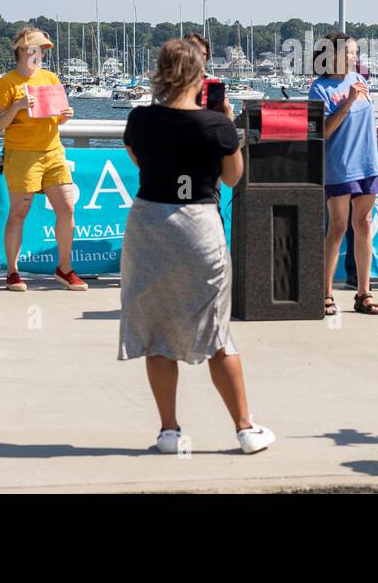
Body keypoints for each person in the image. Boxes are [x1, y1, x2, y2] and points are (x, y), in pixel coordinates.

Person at [119, 39, 274, 455]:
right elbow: (232, 178)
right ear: (197, 74)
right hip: (198, 225)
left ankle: (168, 432)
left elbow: (139, 160)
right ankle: (244, 428)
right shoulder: (216, 126)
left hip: (150, 221)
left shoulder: (140, 119)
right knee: (217, 330)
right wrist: (226, 126)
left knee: (156, 330)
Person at [0, 27, 87, 291]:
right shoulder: (7, 83)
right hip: (21, 154)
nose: (42, 53)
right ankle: (13, 272)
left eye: (44, 49)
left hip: (53, 150)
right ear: (22, 50)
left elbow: (57, 115)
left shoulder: (50, 78)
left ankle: (65, 269)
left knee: (67, 208)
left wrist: (66, 115)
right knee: (19, 213)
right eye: (37, 48)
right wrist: (16, 107)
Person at [310, 32, 378, 316]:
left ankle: (364, 292)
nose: (355, 58)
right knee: (339, 226)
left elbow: (365, 122)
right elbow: (325, 130)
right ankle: (325, 292)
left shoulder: (362, 81)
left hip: (367, 163)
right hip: (339, 165)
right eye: (350, 53)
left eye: (356, 53)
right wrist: (347, 103)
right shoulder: (319, 88)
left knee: (364, 224)